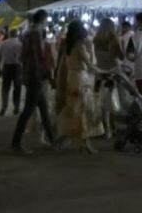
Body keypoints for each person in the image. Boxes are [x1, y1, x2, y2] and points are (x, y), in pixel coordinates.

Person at [11, 10, 59, 155]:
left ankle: (52, 139)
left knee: (43, 110)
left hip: (32, 75)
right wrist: (46, 76)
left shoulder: (27, 32)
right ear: (43, 19)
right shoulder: (35, 33)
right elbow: (38, 57)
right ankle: (16, 143)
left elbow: (24, 56)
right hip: (35, 76)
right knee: (28, 110)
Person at [56, 21, 104, 153]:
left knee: (75, 110)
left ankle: (77, 140)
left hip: (72, 79)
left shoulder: (68, 45)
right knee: (84, 111)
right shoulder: (79, 46)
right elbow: (90, 65)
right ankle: (85, 143)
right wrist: (104, 72)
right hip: (81, 80)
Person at [92, 19, 124, 139]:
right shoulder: (113, 40)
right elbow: (121, 56)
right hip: (112, 71)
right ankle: (111, 129)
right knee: (112, 101)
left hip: (100, 71)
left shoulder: (96, 40)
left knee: (103, 101)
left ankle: (107, 128)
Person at [0, 28, 23, 117]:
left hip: (6, 67)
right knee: (17, 88)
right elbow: (23, 58)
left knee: (5, 88)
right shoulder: (20, 44)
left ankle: (3, 107)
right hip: (17, 67)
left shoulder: (3, 43)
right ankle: (16, 106)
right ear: (17, 34)